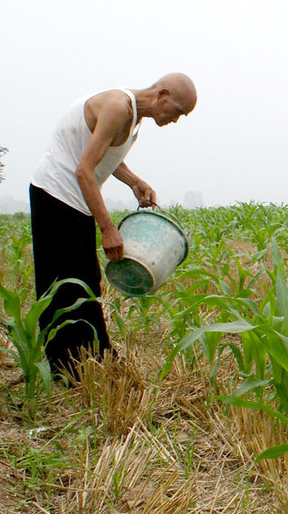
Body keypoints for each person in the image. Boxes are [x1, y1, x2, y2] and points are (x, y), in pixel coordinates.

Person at [29, 73, 197, 379]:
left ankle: (94, 356)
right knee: (63, 283)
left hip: (75, 198)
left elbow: (104, 153)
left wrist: (134, 181)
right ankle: (66, 368)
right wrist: (107, 228)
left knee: (87, 280)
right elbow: (83, 170)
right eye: (176, 111)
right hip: (55, 193)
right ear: (163, 93)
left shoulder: (133, 118)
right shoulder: (119, 106)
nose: (175, 120)